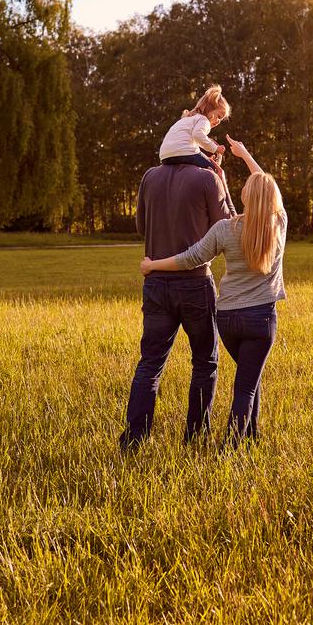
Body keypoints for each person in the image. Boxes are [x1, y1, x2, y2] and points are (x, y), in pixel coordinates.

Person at [141, 136, 286, 448]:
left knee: (250, 376)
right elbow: (266, 193)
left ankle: (252, 436)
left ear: (245, 197)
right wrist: (246, 154)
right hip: (261, 319)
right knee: (246, 386)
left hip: (229, 319)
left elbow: (191, 257)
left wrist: (154, 264)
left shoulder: (227, 229)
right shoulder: (278, 223)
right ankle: (230, 450)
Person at [119, 142, 232, 451]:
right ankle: (195, 437)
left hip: (155, 283)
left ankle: (134, 440)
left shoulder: (150, 176)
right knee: (205, 362)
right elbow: (228, 228)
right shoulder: (207, 178)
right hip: (194, 284)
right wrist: (220, 178)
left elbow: (142, 227)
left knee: (150, 363)